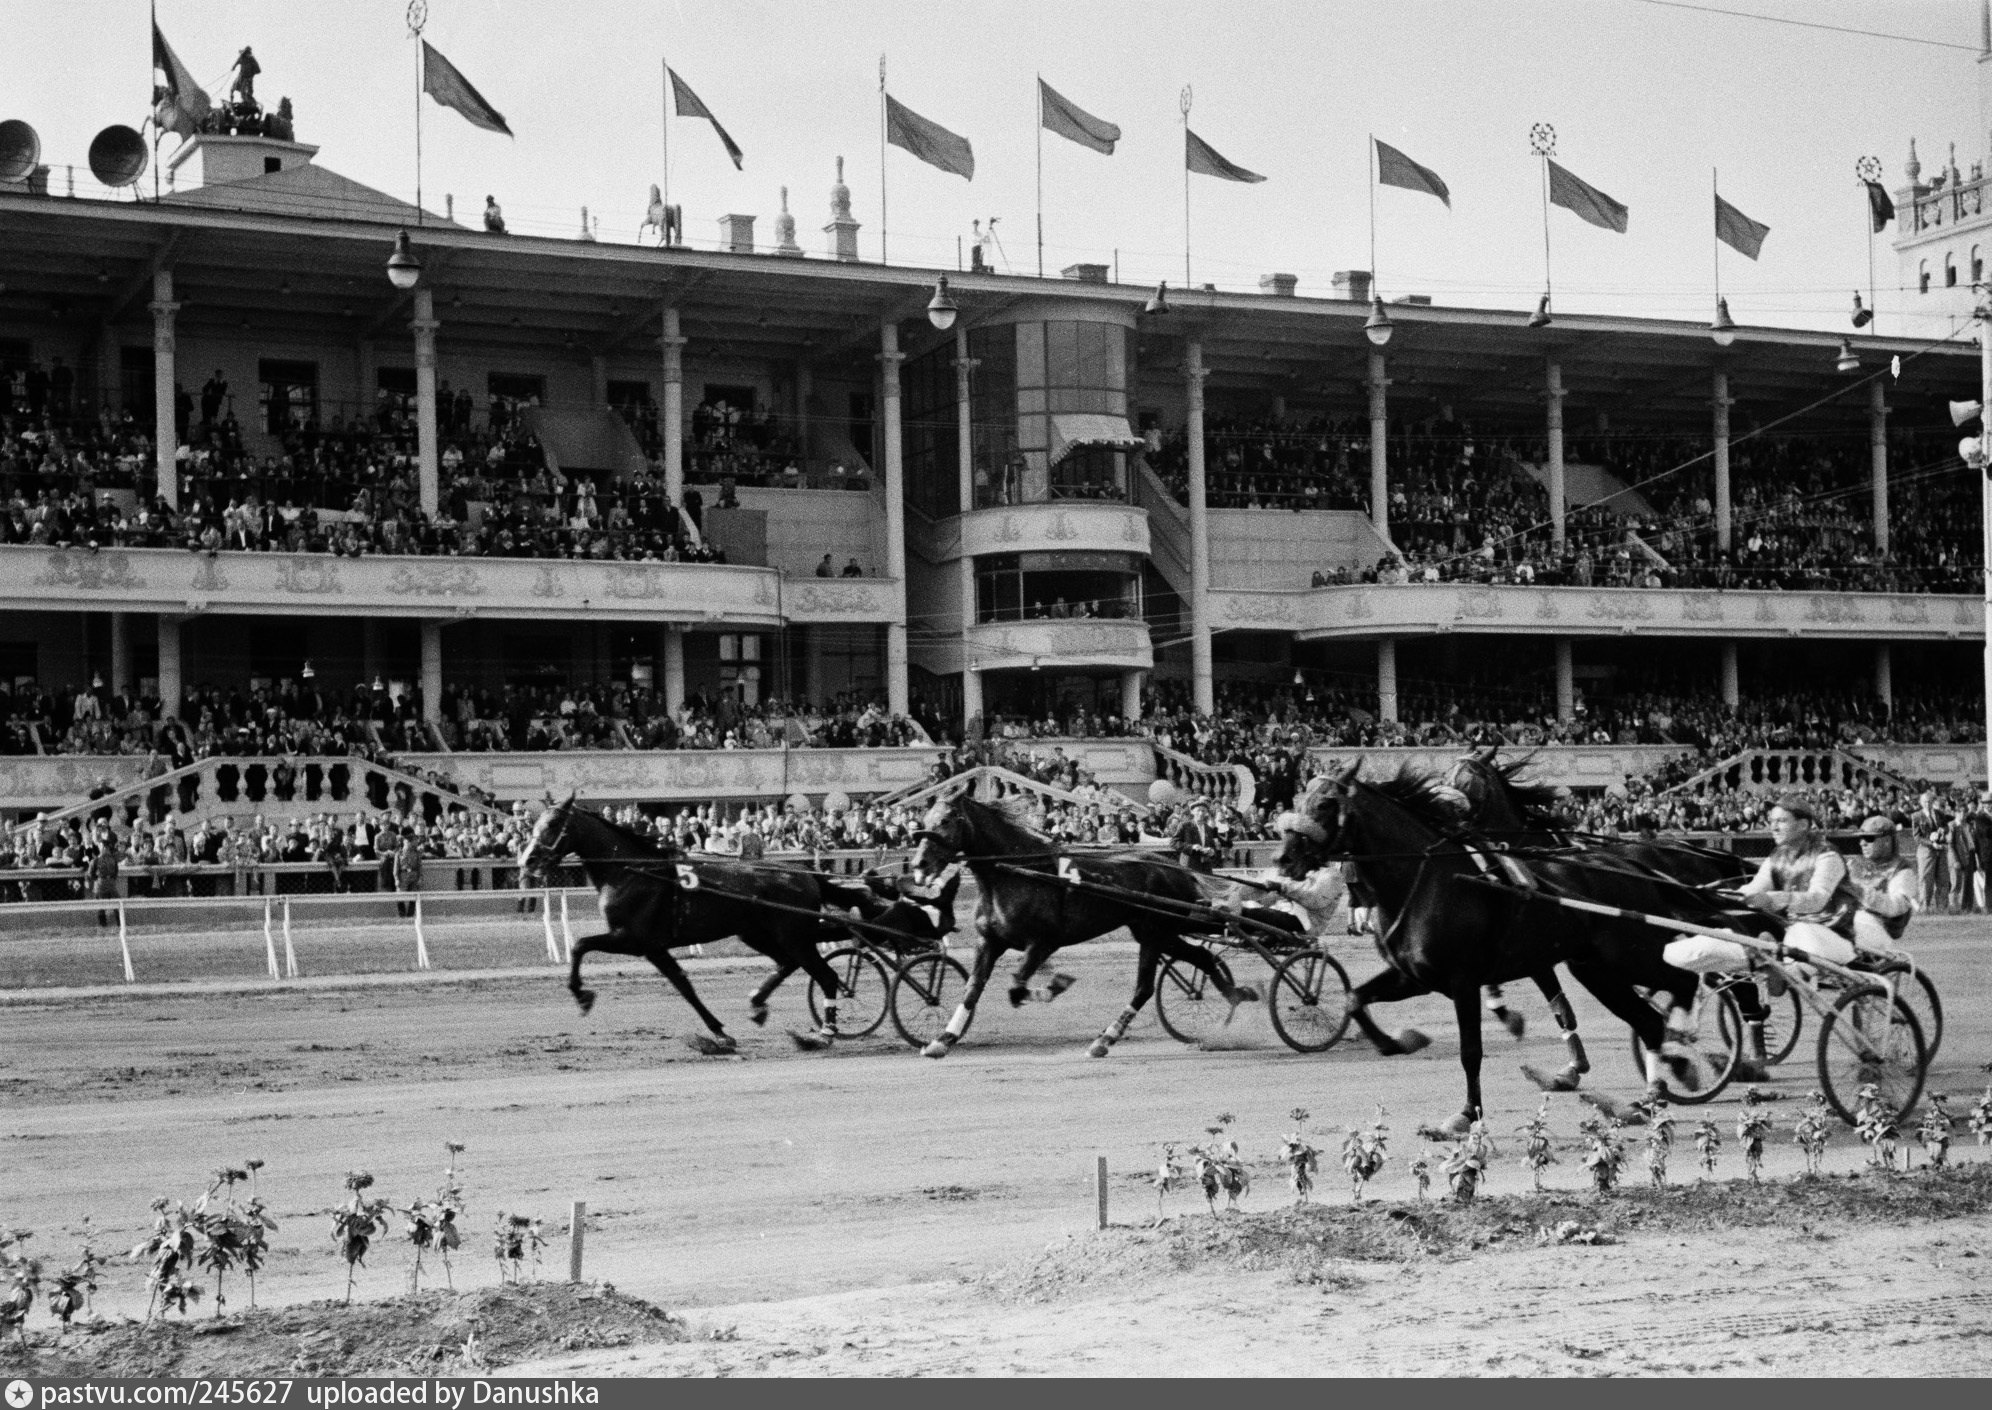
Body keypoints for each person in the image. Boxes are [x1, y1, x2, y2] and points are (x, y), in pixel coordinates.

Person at [1662, 795, 1860, 1081]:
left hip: (1832, 933)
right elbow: (1753, 889)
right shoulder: (1776, 857)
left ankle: (1784, 967)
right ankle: (1774, 963)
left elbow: (1817, 900)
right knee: (1745, 932)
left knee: (1797, 934)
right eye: (1772, 822)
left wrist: (1773, 898)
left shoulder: (1828, 856)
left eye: (1782, 821)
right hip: (1792, 933)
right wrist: (1713, 893)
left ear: (1804, 824)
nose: (1774, 827)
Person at [1846, 813, 1919, 960]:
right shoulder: (1854, 865)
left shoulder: (1902, 870)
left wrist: (1862, 894)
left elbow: (1896, 907)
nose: (1862, 843)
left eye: (1869, 838)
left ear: (1886, 841)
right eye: (1860, 838)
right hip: (1849, 924)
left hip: (1877, 930)